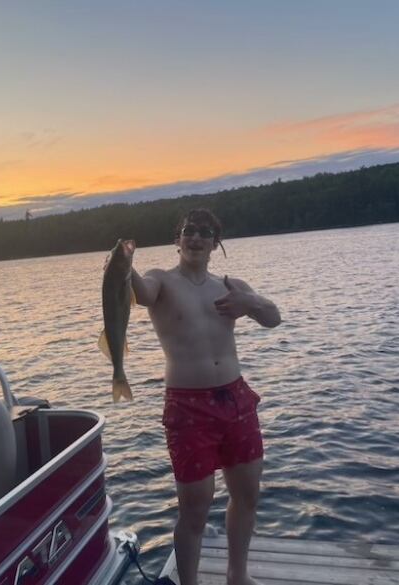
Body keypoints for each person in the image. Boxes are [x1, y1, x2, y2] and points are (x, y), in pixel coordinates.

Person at [128, 208, 281, 585]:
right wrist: (124, 267)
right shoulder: (161, 280)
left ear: (216, 243)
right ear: (176, 240)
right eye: (188, 231)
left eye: (205, 232)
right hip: (187, 406)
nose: (196, 238)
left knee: (246, 495)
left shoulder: (229, 285)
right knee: (194, 510)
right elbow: (142, 294)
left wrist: (251, 304)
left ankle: (237, 575)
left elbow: (273, 317)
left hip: (235, 399)